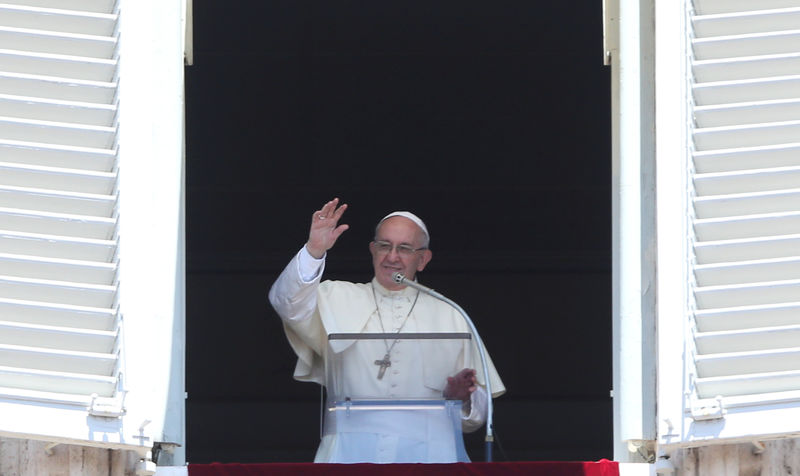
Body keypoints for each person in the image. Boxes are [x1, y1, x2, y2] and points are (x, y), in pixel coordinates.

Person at [268, 198, 505, 463]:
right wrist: (314, 250)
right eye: (384, 246)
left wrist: (462, 399)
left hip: (431, 455)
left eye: (404, 248)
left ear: (423, 259)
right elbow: (286, 302)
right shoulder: (335, 296)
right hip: (348, 453)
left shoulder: (451, 314)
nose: (392, 257)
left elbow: (479, 412)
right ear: (372, 250)